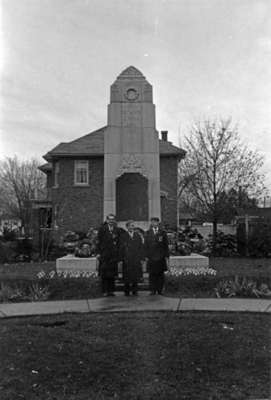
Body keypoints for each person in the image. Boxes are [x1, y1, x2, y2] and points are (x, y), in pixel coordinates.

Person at [96, 214, 121, 296]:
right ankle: (104, 291)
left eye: (112, 219)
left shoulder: (117, 230)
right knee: (104, 274)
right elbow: (98, 242)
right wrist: (98, 253)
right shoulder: (102, 229)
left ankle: (111, 291)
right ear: (107, 220)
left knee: (112, 274)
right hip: (104, 254)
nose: (111, 221)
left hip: (113, 255)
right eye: (110, 219)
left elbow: (119, 243)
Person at [144, 217, 169, 295]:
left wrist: (166, 255)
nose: (154, 223)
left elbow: (166, 245)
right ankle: (152, 290)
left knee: (160, 274)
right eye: (153, 222)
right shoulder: (147, 233)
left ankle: (160, 290)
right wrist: (146, 256)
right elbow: (146, 245)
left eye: (156, 222)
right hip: (151, 257)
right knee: (152, 274)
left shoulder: (163, 233)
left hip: (160, 257)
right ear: (151, 223)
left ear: (158, 223)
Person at [120, 220, 145, 296]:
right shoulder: (123, 236)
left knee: (135, 275)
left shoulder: (137, 236)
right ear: (127, 227)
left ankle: (135, 290)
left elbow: (141, 247)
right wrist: (121, 258)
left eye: (133, 226)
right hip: (127, 259)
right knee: (127, 276)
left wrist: (141, 258)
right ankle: (127, 291)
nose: (132, 227)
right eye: (131, 225)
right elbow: (121, 248)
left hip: (136, 258)